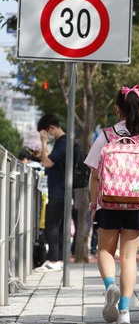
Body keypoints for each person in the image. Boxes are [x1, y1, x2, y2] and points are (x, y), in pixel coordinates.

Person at [84, 84, 139, 324]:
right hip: (137, 205)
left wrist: (93, 204)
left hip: (108, 202)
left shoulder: (106, 135)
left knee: (105, 251)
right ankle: (125, 312)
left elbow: (94, 174)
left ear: (117, 109)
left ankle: (110, 286)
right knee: (129, 258)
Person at [35, 114, 68, 272]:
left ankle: (54, 259)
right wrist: (42, 152)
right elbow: (48, 160)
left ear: (51, 128)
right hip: (61, 190)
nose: (46, 136)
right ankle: (59, 259)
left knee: (51, 226)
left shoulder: (62, 143)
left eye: (46, 132)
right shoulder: (63, 143)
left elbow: (48, 163)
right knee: (58, 227)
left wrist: (43, 142)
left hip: (58, 190)